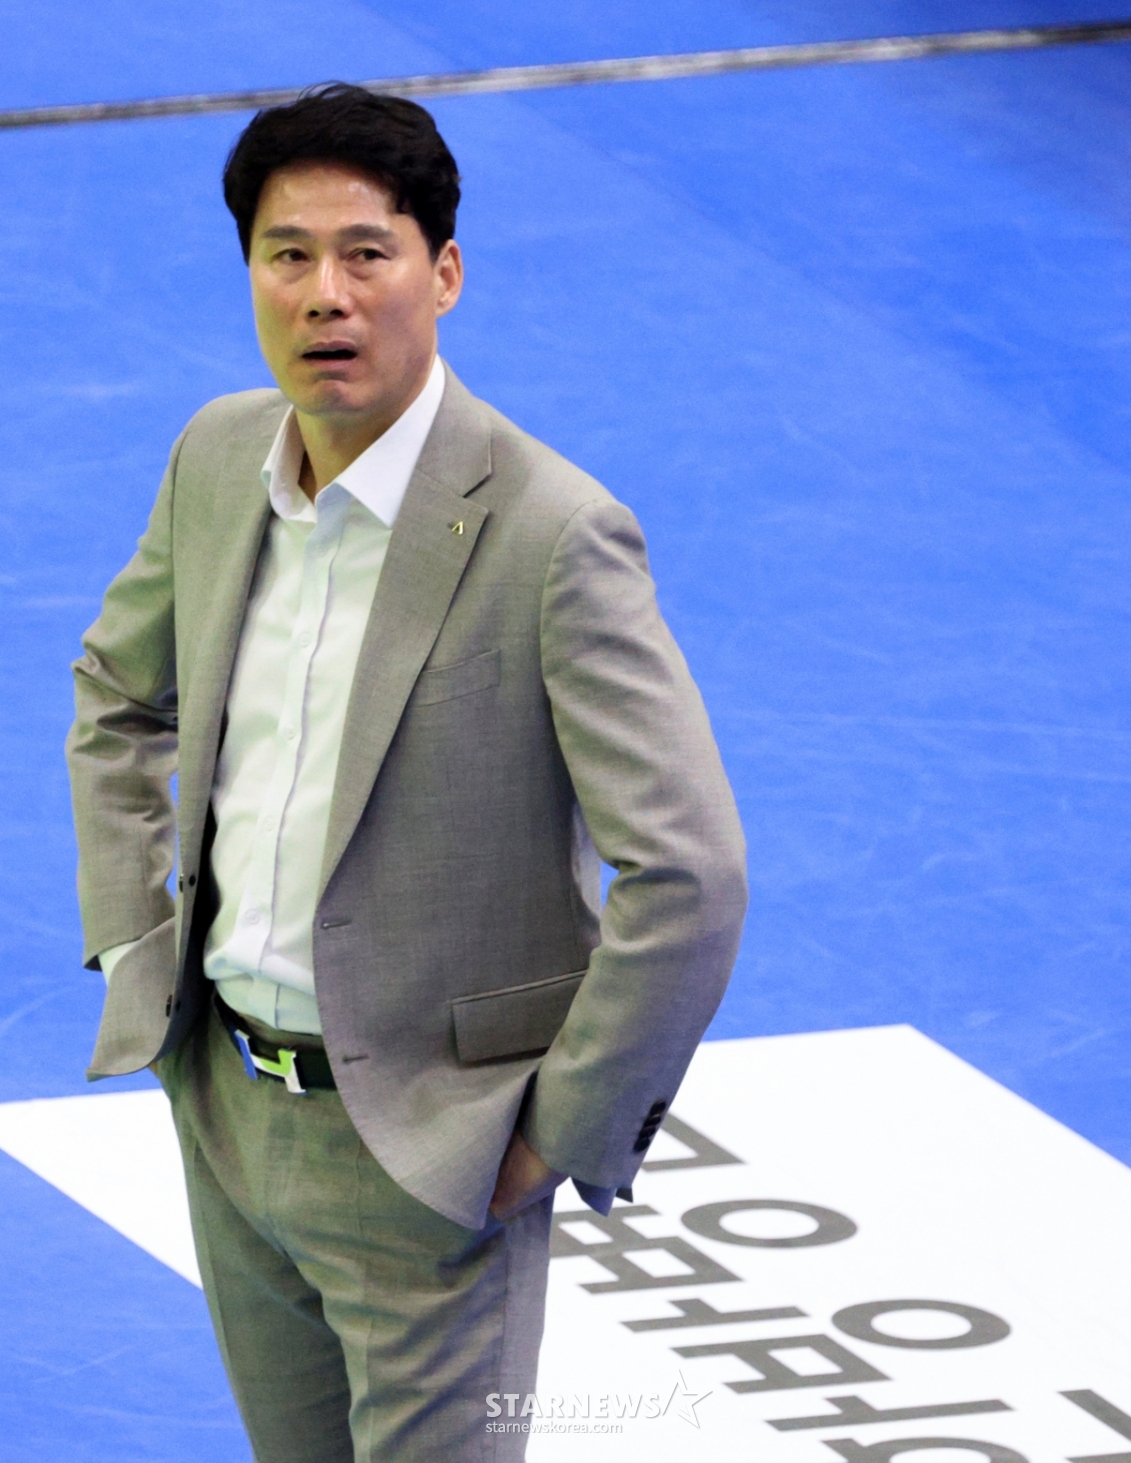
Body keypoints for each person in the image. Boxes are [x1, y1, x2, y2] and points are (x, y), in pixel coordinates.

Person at [65, 82, 747, 1463]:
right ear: (250, 274)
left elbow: (690, 873)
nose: (326, 294)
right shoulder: (215, 457)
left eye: (366, 253)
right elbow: (120, 697)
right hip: (227, 1111)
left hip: (434, 1157)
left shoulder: (555, 535)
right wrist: (142, 954)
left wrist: (554, 1135)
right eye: (289, 254)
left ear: (443, 273)